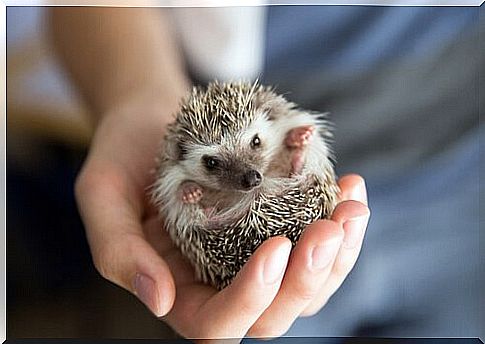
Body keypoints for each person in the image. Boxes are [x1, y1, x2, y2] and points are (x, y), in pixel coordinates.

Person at [49, 5, 481, 340]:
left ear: (268, 123)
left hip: (468, 180)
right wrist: (139, 96)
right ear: (183, 157)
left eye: (255, 146)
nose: (248, 175)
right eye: (214, 164)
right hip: (267, 282)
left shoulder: (280, 125)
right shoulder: (181, 178)